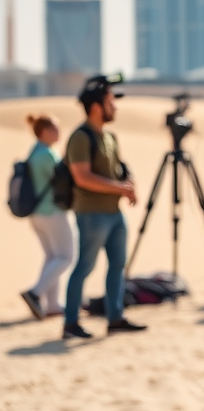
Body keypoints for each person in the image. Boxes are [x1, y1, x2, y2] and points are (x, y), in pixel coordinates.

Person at [63, 75, 147, 339]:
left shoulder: (109, 136)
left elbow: (119, 168)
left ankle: (115, 317)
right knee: (85, 267)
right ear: (97, 106)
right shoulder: (80, 137)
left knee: (117, 265)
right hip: (91, 214)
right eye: (111, 101)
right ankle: (70, 323)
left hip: (114, 213)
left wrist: (128, 182)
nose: (115, 107)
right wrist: (119, 189)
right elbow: (82, 177)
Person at [19, 113, 74, 320]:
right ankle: (35, 293)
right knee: (66, 257)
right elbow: (64, 181)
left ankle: (52, 304)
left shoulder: (35, 151)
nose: (58, 132)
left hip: (37, 215)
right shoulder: (47, 155)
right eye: (54, 129)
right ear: (43, 132)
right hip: (51, 212)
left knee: (53, 257)